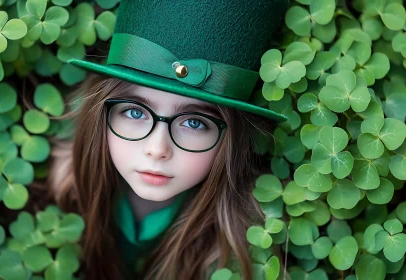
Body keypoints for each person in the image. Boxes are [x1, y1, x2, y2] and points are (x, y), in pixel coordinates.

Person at [45, 0, 289, 279]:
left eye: (194, 123)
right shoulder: (63, 194)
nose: (157, 149)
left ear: (230, 141)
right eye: (135, 112)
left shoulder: (243, 243)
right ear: (101, 116)